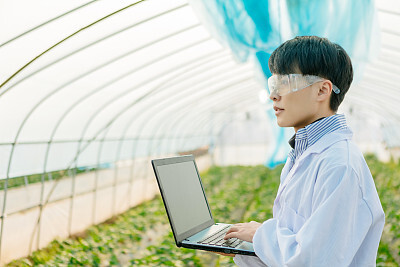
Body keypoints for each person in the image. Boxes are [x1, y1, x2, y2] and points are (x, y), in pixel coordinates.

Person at [219, 36, 385, 266]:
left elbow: (314, 261)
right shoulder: (303, 153)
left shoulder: (339, 165)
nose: (273, 95)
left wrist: (260, 236)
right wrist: (248, 246)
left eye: (285, 82)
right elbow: (295, 244)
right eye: (273, 84)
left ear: (322, 91)